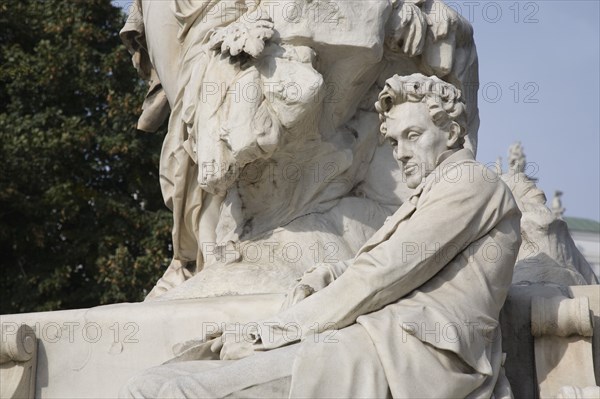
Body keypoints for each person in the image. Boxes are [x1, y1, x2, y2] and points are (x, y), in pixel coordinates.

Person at [121, 73, 521, 398]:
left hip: (404, 352)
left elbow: (386, 274)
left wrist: (273, 331)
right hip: (366, 337)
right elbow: (382, 262)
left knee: (177, 390)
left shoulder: (471, 181)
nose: (399, 153)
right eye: (394, 141)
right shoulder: (429, 193)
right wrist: (330, 273)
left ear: (451, 132)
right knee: (149, 384)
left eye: (412, 136)